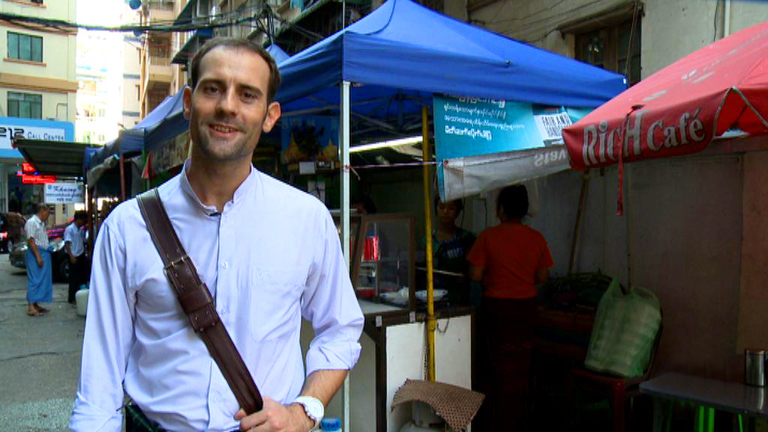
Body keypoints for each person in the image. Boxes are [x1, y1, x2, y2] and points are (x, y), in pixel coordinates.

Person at [70, 37, 364, 432]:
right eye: (213, 89)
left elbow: (340, 329)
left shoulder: (306, 219)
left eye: (247, 95)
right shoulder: (126, 228)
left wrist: (304, 410)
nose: (227, 106)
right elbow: (99, 386)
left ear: (270, 116)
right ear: (188, 102)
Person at [467, 184, 554, 431]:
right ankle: (517, 421)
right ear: (524, 210)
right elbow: (543, 277)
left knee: (495, 368)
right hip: (525, 310)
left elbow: (475, 274)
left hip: (497, 310)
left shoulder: (488, 237)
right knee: (520, 368)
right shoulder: (537, 238)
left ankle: (494, 422)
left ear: (501, 209)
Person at [420, 196, 475, 305]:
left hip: (459, 299)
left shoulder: (466, 238)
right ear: (436, 209)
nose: (445, 212)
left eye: (451, 208)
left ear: (458, 211)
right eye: (441, 207)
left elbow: (472, 272)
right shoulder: (427, 240)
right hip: (432, 300)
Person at [24, 203, 52, 317]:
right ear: (42, 211)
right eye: (48, 213)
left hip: (43, 252)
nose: (48, 215)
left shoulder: (41, 224)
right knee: (34, 280)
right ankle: (31, 306)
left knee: (41, 280)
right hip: (35, 253)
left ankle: (35, 303)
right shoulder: (32, 222)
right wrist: (38, 256)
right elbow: (31, 240)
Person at [64, 211, 88, 305]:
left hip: (81, 254)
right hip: (74, 255)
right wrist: (71, 256)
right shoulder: (70, 229)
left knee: (81, 277)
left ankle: (79, 297)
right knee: (73, 278)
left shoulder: (81, 230)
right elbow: (67, 243)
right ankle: (72, 297)